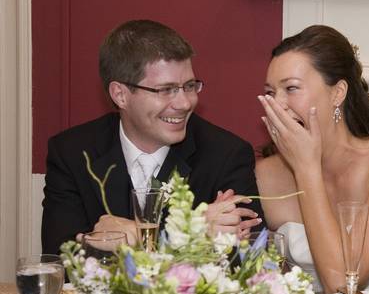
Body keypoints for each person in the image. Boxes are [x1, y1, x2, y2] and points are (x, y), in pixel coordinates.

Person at [42, 20, 262, 254]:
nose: (185, 103)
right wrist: (195, 235)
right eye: (166, 90)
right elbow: (60, 257)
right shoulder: (73, 152)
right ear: (120, 95)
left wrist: (147, 236)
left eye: (189, 86)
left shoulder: (226, 154)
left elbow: (250, 260)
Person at [255, 25, 369, 294]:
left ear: (337, 93)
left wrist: (306, 168)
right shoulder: (264, 174)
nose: (276, 105)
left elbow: (342, 284)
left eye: (291, 88)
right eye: (270, 92)